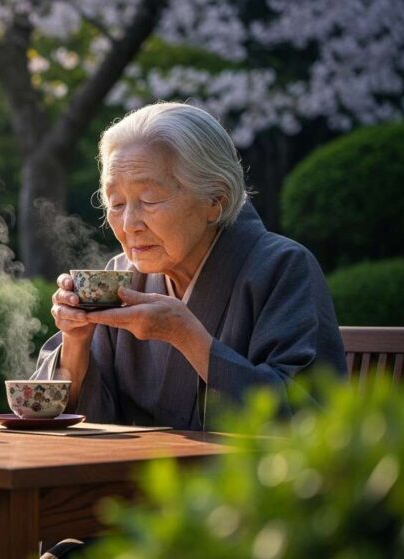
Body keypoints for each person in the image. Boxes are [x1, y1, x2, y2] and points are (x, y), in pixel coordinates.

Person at [36, 102, 345, 431]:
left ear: (215, 201)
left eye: (149, 200)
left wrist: (187, 337)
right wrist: (76, 339)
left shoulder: (282, 267)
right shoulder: (122, 277)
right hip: (128, 465)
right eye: (117, 203)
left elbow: (310, 419)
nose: (128, 224)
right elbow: (62, 417)